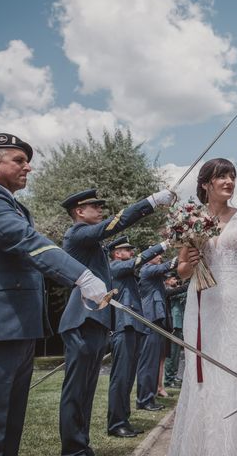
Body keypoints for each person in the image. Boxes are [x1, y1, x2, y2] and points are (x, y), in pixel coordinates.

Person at [0, 134, 108, 456]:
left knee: (9, 429)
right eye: (19, 160)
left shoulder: (10, 203)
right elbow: (25, 241)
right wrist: (81, 274)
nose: (28, 167)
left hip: (13, 327)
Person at [58, 186, 174, 456]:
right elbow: (116, 223)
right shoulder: (78, 233)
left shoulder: (90, 241)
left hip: (96, 319)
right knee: (76, 391)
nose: (100, 210)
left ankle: (80, 445)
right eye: (94, 206)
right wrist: (151, 202)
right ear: (79, 211)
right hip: (82, 318)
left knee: (85, 391)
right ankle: (73, 449)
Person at [168, 158, 237, 456]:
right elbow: (181, 270)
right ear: (206, 183)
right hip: (202, 302)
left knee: (236, 372)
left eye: (232, 176)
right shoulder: (190, 218)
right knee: (202, 375)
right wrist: (189, 264)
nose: (229, 182)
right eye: (222, 176)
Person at [107, 236, 168, 437]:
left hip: (134, 327)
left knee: (127, 379)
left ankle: (123, 420)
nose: (131, 252)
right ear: (117, 253)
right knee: (121, 378)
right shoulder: (115, 266)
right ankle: (116, 423)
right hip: (124, 327)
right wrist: (164, 245)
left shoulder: (126, 272)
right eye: (127, 250)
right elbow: (138, 261)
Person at [135, 252, 177, 411]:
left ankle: (149, 398)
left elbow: (165, 292)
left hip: (156, 320)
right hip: (150, 320)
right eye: (157, 255)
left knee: (153, 362)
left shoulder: (154, 274)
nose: (161, 257)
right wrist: (186, 249)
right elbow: (167, 266)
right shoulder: (147, 270)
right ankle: (144, 400)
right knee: (148, 363)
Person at [164, 273, 188, 388]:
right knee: (172, 354)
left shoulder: (175, 290)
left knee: (177, 354)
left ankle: (173, 377)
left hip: (179, 324)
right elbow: (181, 293)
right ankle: (168, 380)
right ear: (167, 281)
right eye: (173, 279)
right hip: (174, 325)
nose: (176, 280)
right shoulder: (168, 291)